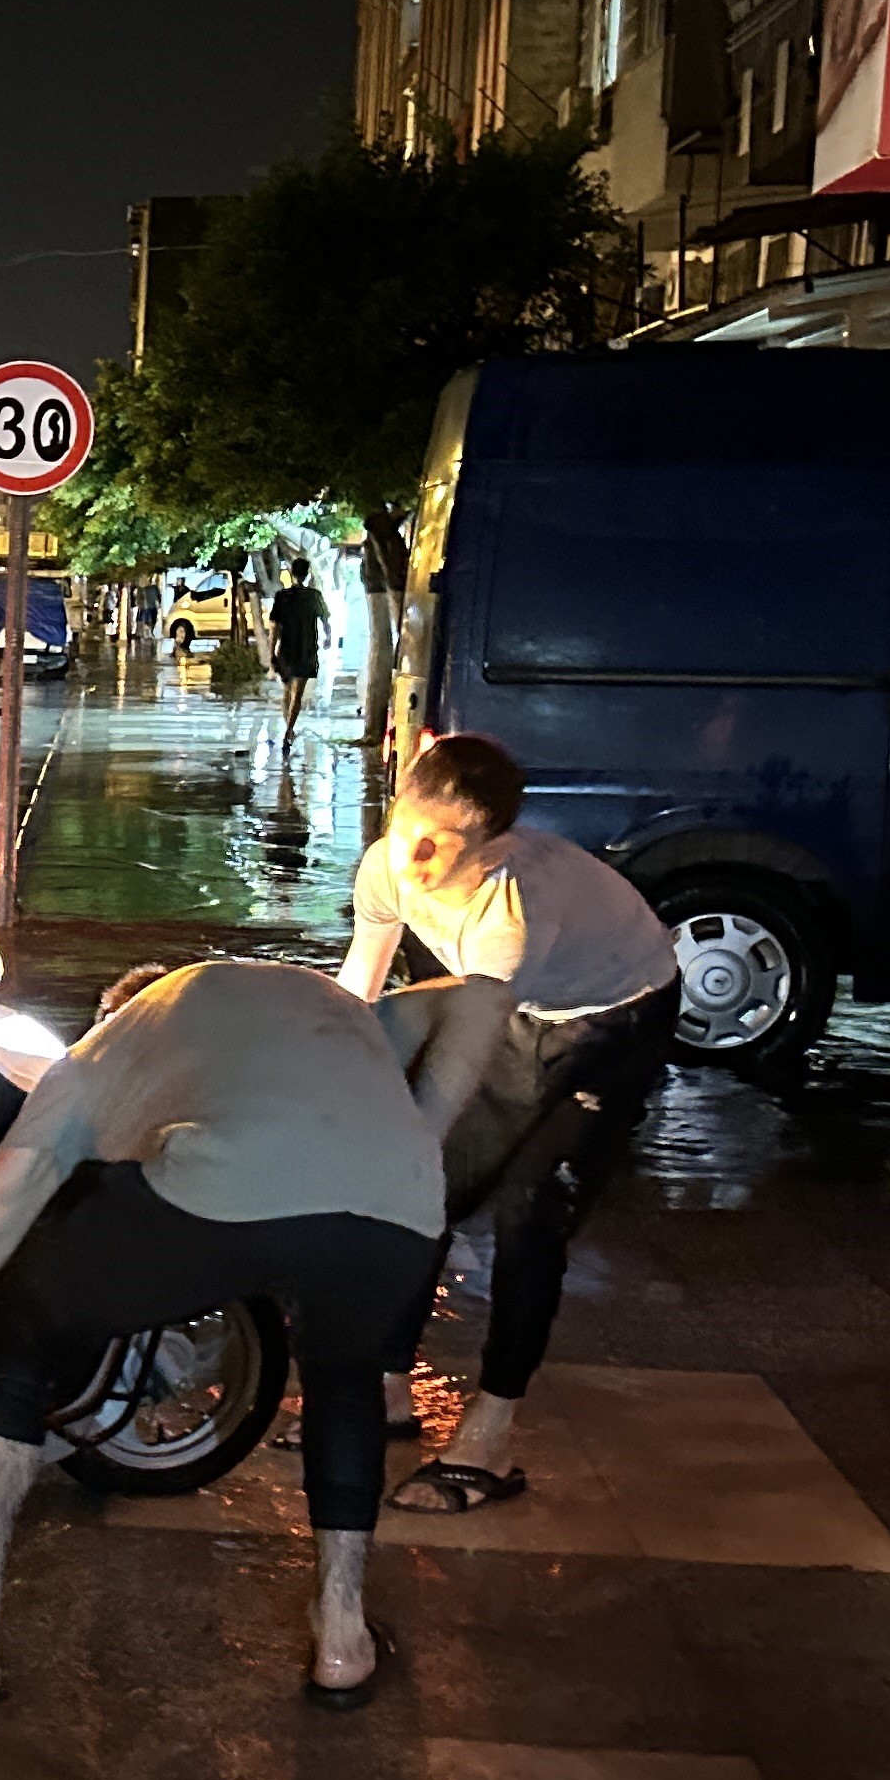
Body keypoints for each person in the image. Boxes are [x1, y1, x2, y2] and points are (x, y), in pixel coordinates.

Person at [0, 959, 449, 1708]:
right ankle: (342, 1641)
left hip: (230, 1177)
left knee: (16, 1336)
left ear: (112, 1016)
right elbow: (452, 1011)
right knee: (345, 1381)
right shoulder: (309, 997)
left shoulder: (94, 1061)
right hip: (408, 1202)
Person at [340, 731, 680, 1516]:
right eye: (408, 827)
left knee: (530, 1212)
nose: (416, 857)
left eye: (443, 845)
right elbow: (358, 995)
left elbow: (458, 1068)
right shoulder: (388, 864)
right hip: (514, 1013)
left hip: (614, 1020)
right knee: (425, 1188)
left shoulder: (510, 913)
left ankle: (490, 1436)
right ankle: (387, 1389)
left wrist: (386, 1152)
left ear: (488, 847)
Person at [269, 557, 331, 735]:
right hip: (307, 649)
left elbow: (275, 627)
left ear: (291, 572)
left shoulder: (282, 597)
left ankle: (288, 727)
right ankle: (290, 728)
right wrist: (328, 638)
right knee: (298, 693)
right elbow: (326, 620)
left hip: (287, 649)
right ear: (307, 573)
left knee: (287, 691)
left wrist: (272, 652)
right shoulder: (314, 596)